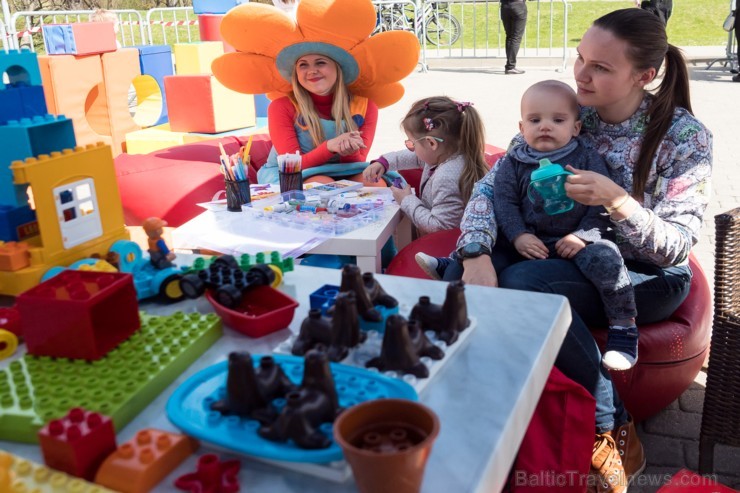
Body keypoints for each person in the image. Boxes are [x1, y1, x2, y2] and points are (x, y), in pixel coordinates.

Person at [423, 9, 712, 490]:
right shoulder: (564, 112)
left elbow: (676, 246)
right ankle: (484, 403)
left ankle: (613, 427)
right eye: (581, 57)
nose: (581, 73)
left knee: (522, 286)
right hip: (560, 252)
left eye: (600, 67)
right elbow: (493, 190)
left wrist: (617, 202)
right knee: (478, 272)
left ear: (645, 75)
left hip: (642, 274)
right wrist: (475, 251)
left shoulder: (682, 136)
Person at [362, 96, 489, 237]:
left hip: (447, 248)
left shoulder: (447, 176)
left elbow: (439, 226)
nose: (411, 149)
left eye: (411, 144)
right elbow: (416, 157)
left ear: (431, 143)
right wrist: (384, 162)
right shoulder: (450, 153)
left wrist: (407, 200)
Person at [258, 52, 381, 186]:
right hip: (292, 173)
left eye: (320, 62)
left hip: (345, 169)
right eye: (303, 65)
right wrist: (329, 147)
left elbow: (359, 161)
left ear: (338, 67)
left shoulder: (366, 107)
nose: (312, 71)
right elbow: (292, 165)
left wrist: (349, 151)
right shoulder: (281, 106)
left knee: (374, 183)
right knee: (322, 186)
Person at [500, 0, 528, 74]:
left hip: (505, 6)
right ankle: (510, 66)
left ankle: (509, 65)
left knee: (509, 36)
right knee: (516, 37)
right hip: (518, 6)